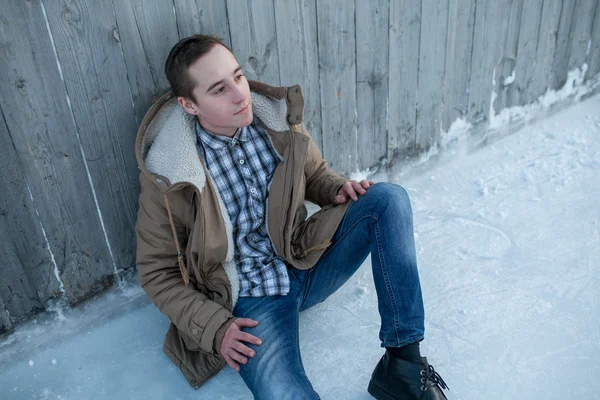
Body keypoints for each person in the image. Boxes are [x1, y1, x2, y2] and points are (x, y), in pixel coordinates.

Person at [135, 34, 448, 400]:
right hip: (249, 298)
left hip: (303, 257)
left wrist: (336, 189)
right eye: (219, 89)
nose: (240, 95)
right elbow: (158, 274)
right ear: (189, 104)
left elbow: (314, 174)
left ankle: (403, 365)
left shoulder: (275, 121)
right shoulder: (170, 172)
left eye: (238, 77)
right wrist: (216, 328)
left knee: (388, 200)